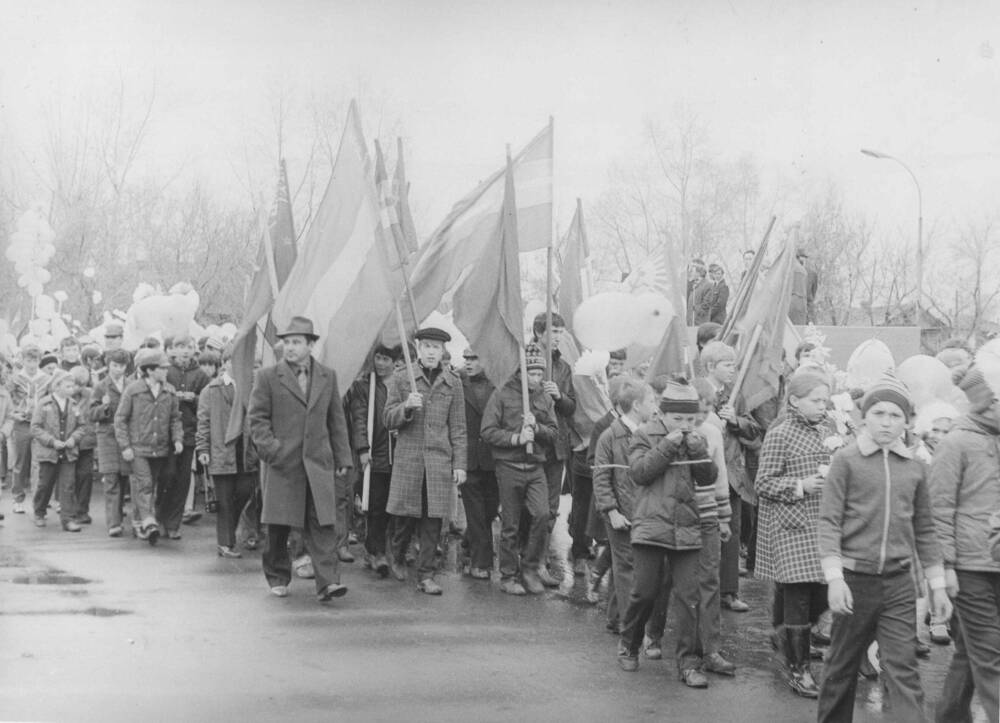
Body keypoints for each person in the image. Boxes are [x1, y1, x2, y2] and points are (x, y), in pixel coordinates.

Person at [817, 375, 950, 722]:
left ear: (907, 421)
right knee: (840, 669)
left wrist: (937, 587)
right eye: (879, 413)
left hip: (898, 585)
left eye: (895, 415)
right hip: (853, 581)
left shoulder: (916, 468)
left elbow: (925, 529)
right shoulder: (846, 461)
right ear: (864, 417)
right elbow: (829, 522)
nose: (887, 422)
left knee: (903, 669)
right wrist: (834, 578)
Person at [617, 377, 717, 689]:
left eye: (691, 418)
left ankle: (688, 663)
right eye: (679, 418)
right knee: (644, 591)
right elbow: (640, 473)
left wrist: (700, 451)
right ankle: (629, 642)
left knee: (688, 597)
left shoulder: (695, 437)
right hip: (651, 524)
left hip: (686, 526)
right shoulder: (644, 434)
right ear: (663, 414)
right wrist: (669, 444)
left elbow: (707, 477)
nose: (686, 424)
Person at [248, 316, 352, 602]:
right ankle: (278, 577)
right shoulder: (268, 377)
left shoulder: (327, 376)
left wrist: (343, 457)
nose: (290, 348)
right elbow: (257, 419)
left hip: (318, 463)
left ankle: (328, 582)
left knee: (323, 523)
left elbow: (336, 420)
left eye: (297, 342)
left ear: (310, 345)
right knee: (279, 525)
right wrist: (272, 450)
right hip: (283, 464)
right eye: (287, 342)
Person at [754, 370, 837, 698]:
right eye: (815, 400)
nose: (822, 406)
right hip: (790, 526)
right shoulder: (780, 433)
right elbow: (763, 483)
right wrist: (799, 485)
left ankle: (785, 634)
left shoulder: (830, 429)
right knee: (799, 596)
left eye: (825, 400)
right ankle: (799, 670)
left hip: (823, 523)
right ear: (794, 400)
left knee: (822, 591)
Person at [931, 365, 1000, 723]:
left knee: (972, 653)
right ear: (985, 403)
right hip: (970, 568)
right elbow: (938, 510)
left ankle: (949, 717)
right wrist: (946, 567)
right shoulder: (955, 443)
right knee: (991, 654)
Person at [384, 326, 467, 595]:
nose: (432, 352)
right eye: (427, 346)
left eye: (436, 347)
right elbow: (387, 419)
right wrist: (406, 407)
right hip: (409, 459)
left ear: (443, 351)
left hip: (438, 461)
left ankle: (426, 574)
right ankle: (396, 555)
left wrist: (460, 465)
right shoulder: (401, 378)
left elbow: (458, 427)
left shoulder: (453, 382)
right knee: (405, 517)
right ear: (419, 349)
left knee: (433, 520)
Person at [480, 346, 557, 595]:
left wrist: (539, 428)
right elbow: (488, 431)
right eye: (531, 373)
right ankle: (508, 575)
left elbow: (554, 433)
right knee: (510, 525)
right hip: (509, 466)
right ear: (521, 373)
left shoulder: (544, 398)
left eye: (539, 374)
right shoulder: (502, 394)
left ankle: (530, 568)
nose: (536, 379)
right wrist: (516, 439)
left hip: (536, 467)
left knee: (543, 515)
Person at [700, 341, 760, 612]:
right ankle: (699, 589)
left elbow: (754, 431)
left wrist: (736, 420)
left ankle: (728, 591)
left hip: (732, 476)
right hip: (703, 474)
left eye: (735, 365)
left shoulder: (737, 396)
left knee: (731, 533)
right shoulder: (697, 390)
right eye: (727, 365)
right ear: (711, 366)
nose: (733, 371)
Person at [592, 378, 655, 638]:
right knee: (627, 567)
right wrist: (611, 511)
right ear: (637, 405)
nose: (655, 406)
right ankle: (628, 624)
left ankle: (616, 616)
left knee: (628, 566)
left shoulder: (647, 432)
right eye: (652, 401)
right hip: (619, 513)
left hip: (640, 511)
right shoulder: (610, 435)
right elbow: (601, 478)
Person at [114, 349, 184, 545]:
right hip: (138, 448)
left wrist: (177, 439)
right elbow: (120, 419)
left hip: (160, 449)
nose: (166, 371)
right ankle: (149, 522)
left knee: (150, 485)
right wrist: (125, 446)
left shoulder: (169, 391)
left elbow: (175, 419)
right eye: (163, 368)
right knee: (144, 484)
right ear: (150, 370)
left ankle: (139, 521)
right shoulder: (133, 390)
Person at [196, 349, 257, 558]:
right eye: (233, 360)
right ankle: (225, 542)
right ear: (225, 363)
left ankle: (228, 532)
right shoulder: (211, 390)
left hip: (245, 451)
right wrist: (203, 449)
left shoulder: (251, 387)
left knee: (244, 491)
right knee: (224, 499)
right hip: (221, 451)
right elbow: (203, 423)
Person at [531, 312, 579, 582]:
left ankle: (540, 561)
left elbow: (571, 407)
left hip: (556, 446)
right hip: (530, 443)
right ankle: (522, 559)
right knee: (529, 508)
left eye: (561, 332)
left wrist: (559, 395)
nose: (558, 336)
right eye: (553, 331)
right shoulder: (524, 360)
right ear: (539, 333)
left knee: (549, 509)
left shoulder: (563, 368)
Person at [347, 343, 399, 578]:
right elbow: (359, 418)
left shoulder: (402, 384)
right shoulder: (364, 387)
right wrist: (362, 448)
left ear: (394, 362)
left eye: (386, 359)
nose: (380, 362)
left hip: (398, 455)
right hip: (375, 453)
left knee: (393, 506)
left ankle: (387, 549)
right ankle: (374, 551)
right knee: (376, 505)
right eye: (377, 357)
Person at [459, 348, 498, 580]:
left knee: (490, 510)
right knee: (475, 512)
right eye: (467, 359)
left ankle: (468, 542)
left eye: (474, 358)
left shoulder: (498, 384)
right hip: (468, 457)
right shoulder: (457, 382)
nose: (469, 363)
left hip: (494, 458)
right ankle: (480, 562)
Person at [165, 335, 210, 534]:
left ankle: (174, 524)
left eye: (188, 347)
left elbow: (208, 400)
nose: (184, 351)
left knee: (183, 479)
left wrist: (195, 398)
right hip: (166, 434)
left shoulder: (200, 374)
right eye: (180, 346)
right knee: (167, 476)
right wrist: (174, 396)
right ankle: (162, 518)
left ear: (194, 351)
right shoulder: (166, 371)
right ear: (173, 350)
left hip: (190, 431)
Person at [31, 369, 85, 532]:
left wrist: (73, 440)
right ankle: (39, 512)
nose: (72, 389)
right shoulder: (44, 403)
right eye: (68, 386)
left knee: (68, 485)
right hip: (49, 453)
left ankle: (67, 519)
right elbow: (35, 427)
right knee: (45, 484)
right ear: (57, 386)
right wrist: (52, 441)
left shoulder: (74, 405)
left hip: (68, 453)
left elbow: (82, 426)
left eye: (73, 385)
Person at [90, 349, 132, 537]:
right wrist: (104, 407)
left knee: (124, 477)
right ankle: (113, 523)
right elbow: (91, 413)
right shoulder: (101, 386)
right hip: (107, 436)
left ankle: (118, 514)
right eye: (114, 365)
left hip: (127, 436)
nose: (118, 369)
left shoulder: (132, 384)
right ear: (108, 365)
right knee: (111, 478)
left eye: (121, 366)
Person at [9, 344, 50, 514]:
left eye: (34, 360)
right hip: (22, 424)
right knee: (20, 462)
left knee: (38, 463)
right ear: (22, 360)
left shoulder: (46, 378)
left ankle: (37, 499)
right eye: (28, 360)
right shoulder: (15, 378)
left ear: (39, 361)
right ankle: (18, 498)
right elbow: (8, 401)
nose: (31, 364)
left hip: (39, 425)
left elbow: (50, 400)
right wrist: (13, 414)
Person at [68, 365, 96, 525]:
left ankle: (82, 511)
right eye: (74, 384)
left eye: (81, 384)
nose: (77, 388)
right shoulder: (64, 395)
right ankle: (70, 509)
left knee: (85, 476)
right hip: (69, 443)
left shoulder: (91, 395)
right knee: (69, 477)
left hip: (86, 443)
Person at [688, 261, 714, 326]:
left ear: (699, 273)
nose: (690, 273)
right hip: (691, 323)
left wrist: (694, 308)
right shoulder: (694, 285)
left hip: (700, 324)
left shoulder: (708, 285)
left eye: (692, 271)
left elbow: (705, 306)